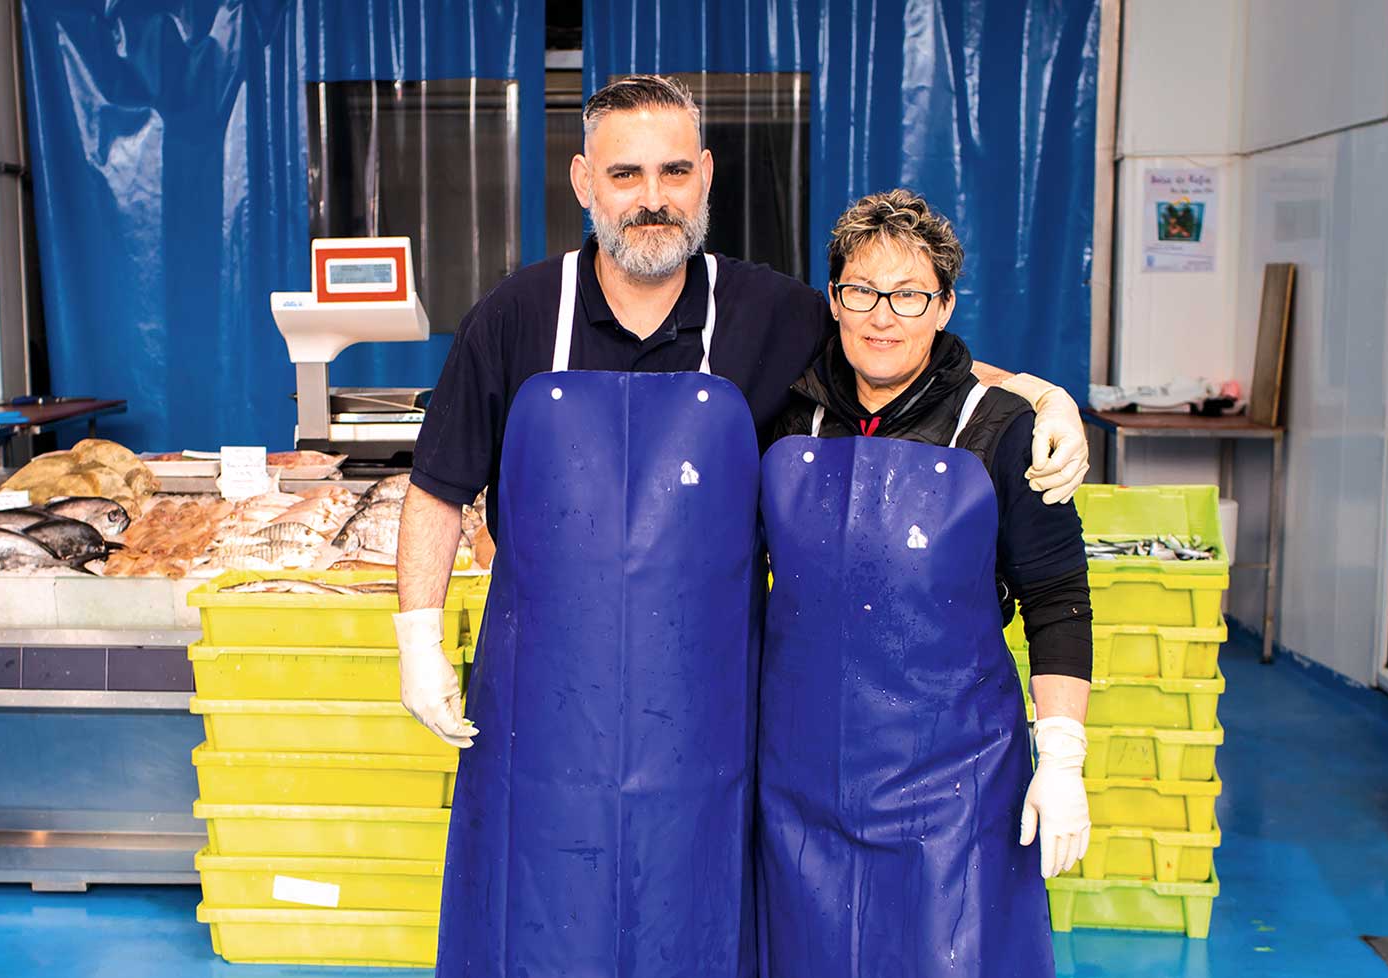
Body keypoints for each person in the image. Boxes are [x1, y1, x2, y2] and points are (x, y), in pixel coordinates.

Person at [392, 76, 1089, 978]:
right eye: (627, 172)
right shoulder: (516, 318)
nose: (652, 197)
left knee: (696, 931)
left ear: (707, 177)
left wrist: (1038, 394)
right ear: (582, 181)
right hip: (543, 716)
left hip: (707, 717)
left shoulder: (771, 313)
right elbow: (439, 489)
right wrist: (417, 639)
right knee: (539, 928)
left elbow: (897, 341)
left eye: (675, 170)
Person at [755, 188, 1094, 978]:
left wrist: (1065, 755)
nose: (882, 316)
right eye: (862, 291)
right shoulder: (787, 420)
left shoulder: (1005, 428)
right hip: (800, 782)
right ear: (834, 299)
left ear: (943, 306)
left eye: (909, 295)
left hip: (955, 789)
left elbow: (1057, 598)